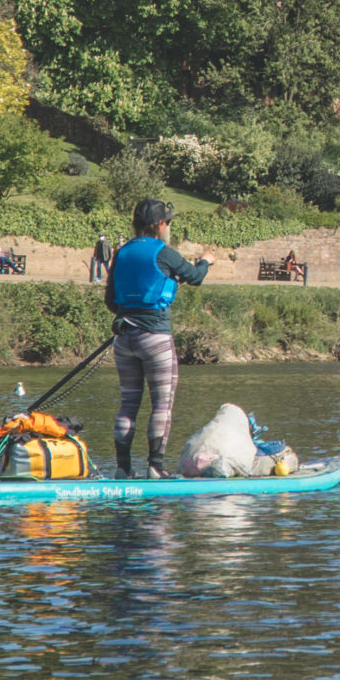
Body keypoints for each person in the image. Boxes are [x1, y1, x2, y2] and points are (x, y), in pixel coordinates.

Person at [106, 199, 215, 477]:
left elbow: (111, 300)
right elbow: (196, 277)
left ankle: (122, 468)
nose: (168, 226)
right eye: (167, 221)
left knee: (128, 403)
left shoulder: (121, 253)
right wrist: (206, 261)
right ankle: (155, 467)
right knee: (161, 404)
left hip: (124, 339)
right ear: (159, 225)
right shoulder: (164, 253)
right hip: (155, 338)